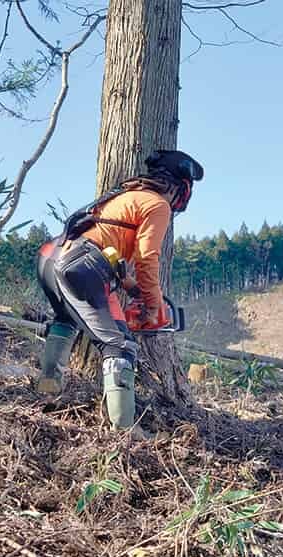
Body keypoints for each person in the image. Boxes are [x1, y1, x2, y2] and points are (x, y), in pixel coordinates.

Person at [35, 150, 204, 430]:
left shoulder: (124, 195)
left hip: (51, 257)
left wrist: (130, 287)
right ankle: (126, 431)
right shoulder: (157, 205)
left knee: (66, 320)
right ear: (182, 188)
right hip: (80, 265)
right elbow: (147, 257)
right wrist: (153, 304)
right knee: (119, 345)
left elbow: (107, 245)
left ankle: (46, 391)